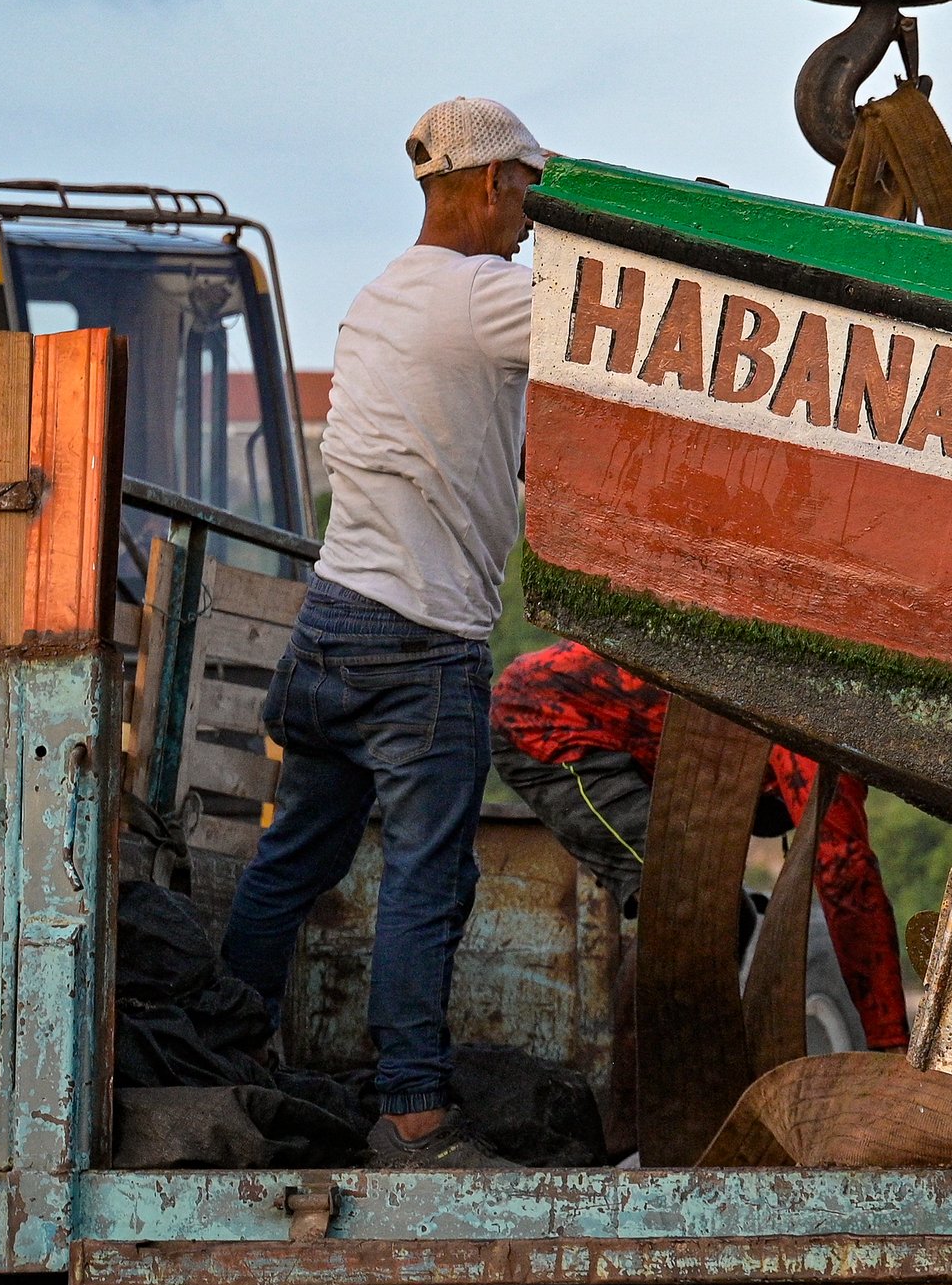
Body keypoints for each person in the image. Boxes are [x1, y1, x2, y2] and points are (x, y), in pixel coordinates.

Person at [218, 96, 546, 1168]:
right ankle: (412, 1115)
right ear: (492, 181)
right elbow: (620, 328)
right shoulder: (484, 297)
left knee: (290, 864)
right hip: (421, 644)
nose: (533, 219)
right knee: (427, 878)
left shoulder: (377, 300)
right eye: (532, 192)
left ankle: (218, 1063)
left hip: (331, 625)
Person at [488, 639, 909, 1050]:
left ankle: (689, 1062)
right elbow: (845, 876)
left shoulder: (800, 694)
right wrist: (888, 1039)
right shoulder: (811, 725)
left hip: (640, 732)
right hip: (541, 717)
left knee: (724, 911)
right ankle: (659, 1077)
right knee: (684, 903)